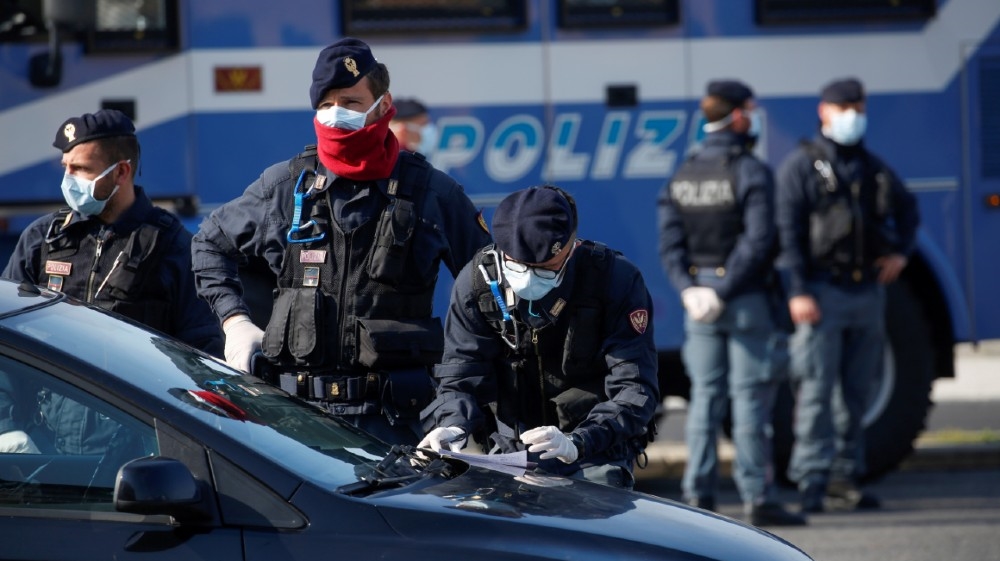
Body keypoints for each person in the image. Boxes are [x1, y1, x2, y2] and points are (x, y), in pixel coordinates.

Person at [191, 37, 491, 445]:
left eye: (350, 102)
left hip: (394, 425)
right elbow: (209, 244)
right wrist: (235, 322)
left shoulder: (433, 194)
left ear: (383, 107)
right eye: (326, 103)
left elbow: (490, 290)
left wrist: (459, 397)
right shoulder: (284, 186)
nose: (337, 115)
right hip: (293, 423)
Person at [0, 108, 223, 453]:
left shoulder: (170, 245)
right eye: (66, 168)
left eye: (80, 169)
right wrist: (6, 428)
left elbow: (201, 358)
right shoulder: (42, 239)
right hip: (45, 446)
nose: (68, 180)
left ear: (121, 172)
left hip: (134, 451)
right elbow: (5, 341)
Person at [419, 185, 659, 489]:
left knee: (592, 522)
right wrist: (452, 423)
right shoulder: (478, 281)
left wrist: (579, 441)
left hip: (593, 452)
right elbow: (460, 373)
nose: (530, 277)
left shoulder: (614, 279)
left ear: (571, 245)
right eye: (518, 265)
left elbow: (635, 389)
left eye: (545, 268)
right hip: (511, 453)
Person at [657, 80, 806, 527]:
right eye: (752, 111)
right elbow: (760, 241)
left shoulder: (682, 173)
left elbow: (670, 243)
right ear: (738, 117)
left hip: (699, 299)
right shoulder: (750, 170)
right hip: (742, 301)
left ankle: (698, 494)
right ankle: (758, 497)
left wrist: (689, 288)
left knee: (704, 400)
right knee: (750, 402)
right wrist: (723, 291)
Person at [775, 77, 919, 513]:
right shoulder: (800, 167)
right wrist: (798, 291)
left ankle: (844, 476)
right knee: (816, 391)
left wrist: (900, 253)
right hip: (821, 291)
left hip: (866, 293)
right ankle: (811, 481)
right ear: (824, 111)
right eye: (845, 107)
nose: (853, 115)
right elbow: (788, 236)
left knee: (856, 392)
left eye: (858, 107)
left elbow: (907, 210)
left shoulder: (871, 166)